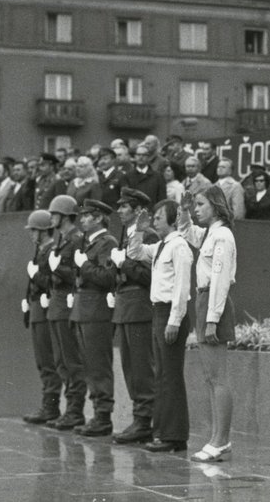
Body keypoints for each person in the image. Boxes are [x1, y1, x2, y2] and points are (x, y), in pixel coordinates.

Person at [177, 185, 237, 463]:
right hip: (204, 301)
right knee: (210, 378)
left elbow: (221, 279)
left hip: (214, 303)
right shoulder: (211, 233)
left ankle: (221, 440)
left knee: (218, 377)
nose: (197, 209)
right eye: (195, 205)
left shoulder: (222, 235)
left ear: (215, 205)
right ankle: (216, 438)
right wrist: (184, 209)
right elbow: (186, 231)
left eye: (201, 204)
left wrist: (213, 318)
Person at [137, 199, 193, 452]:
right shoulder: (161, 246)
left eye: (159, 217)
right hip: (158, 311)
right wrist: (139, 230)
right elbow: (134, 253)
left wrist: (174, 320)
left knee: (170, 375)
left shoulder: (179, 246)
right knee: (161, 374)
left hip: (171, 313)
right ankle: (163, 432)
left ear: (172, 220)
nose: (155, 220)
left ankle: (174, 435)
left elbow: (182, 287)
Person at [110, 188, 157, 444]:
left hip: (139, 306)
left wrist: (123, 263)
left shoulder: (146, 235)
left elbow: (149, 276)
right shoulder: (125, 235)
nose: (119, 211)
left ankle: (144, 420)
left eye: (124, 207)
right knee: (130, 367)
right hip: (126, 307)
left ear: (138, 210)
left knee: (141, 367)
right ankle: (139, 419)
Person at [70, 198, 119, 437]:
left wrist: (85, 265)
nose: (82, 219)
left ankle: (103, 416)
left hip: (97, 309)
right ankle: (98, 413)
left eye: (87, 215)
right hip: (84, 308)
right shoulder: (89, 242)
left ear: (99, 218)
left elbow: (107, 277)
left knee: (98, 364)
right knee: (89, 364)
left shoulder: (106, 242)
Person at [45, 195, 87, 431]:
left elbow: (76, 276)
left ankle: (75, 410)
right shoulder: (62, 240)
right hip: (57, 305)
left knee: (72, 361)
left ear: (64, 216)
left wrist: (58, 268)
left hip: (67, 305)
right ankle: (69, 409)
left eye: (54, 214)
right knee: (61, 361)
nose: (52, 218)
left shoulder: (76, 240)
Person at [22, 209, 62, 426]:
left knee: (48, 361)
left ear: (43, 231)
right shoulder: (41, 251)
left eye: (34, 230)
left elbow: (49, 282)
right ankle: (49, 404)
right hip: (38, 309)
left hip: (46, 310)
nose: (31, 234)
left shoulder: (51, 251)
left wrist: (35, 275)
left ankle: (51, 406)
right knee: (42, 361)